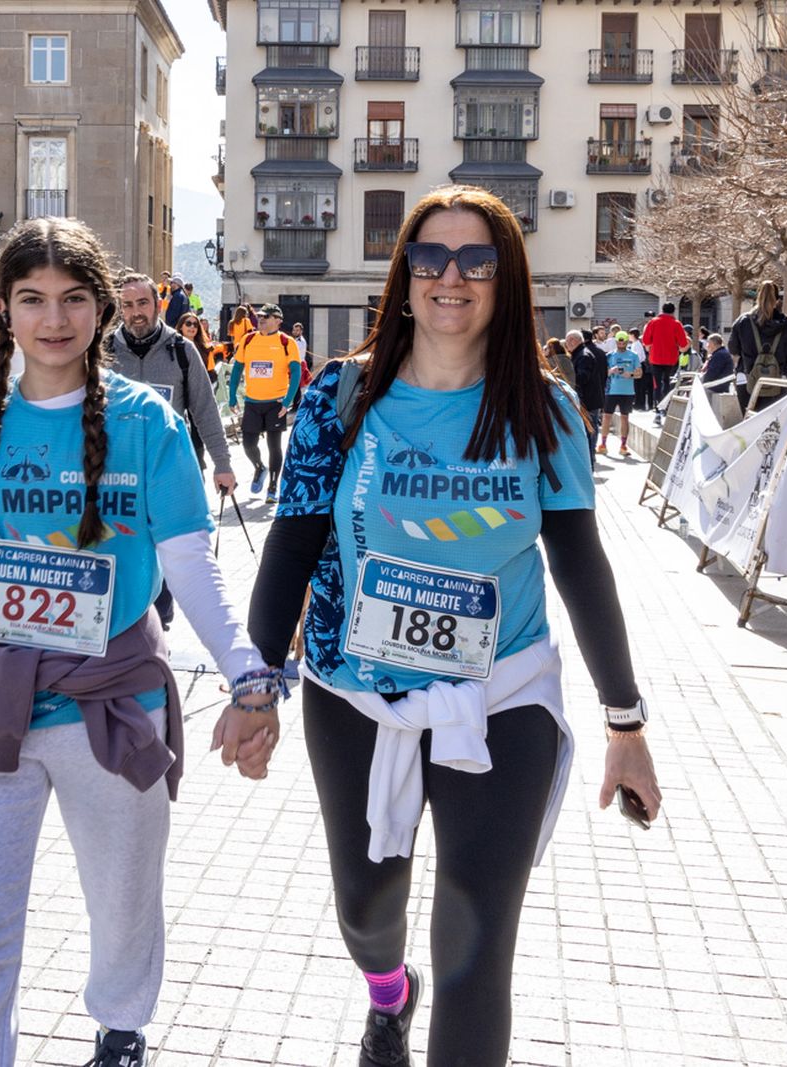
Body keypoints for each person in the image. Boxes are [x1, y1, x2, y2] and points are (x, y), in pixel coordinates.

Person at [246, 185, 659, 1067]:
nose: (452, 277)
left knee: (475, 937)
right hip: (354, 691)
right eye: (430, 257)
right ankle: (388, 995)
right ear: (402, 278)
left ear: (507, 283)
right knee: (367, 904)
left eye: (478, 261)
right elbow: (290, 545)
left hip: (501, 696)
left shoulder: (543, 411)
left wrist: (626, 721)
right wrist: (256, 688)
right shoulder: (339, 397)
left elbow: (582, 564)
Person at [0, 216, 276, 1067]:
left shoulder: (150, 424)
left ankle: (121, 1026)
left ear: (100, 310)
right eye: (31, 300)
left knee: (124, 905)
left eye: (71, 300)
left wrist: (247, 668)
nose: (52, 319)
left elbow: (190, 565)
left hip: (111, 707)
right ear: (3, 308)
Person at [107, 274, 238, 628]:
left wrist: (223, 465)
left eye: (143, 303)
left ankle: (159, 626)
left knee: (163, 549)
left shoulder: (181, 351)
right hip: (112, 477)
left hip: (164, 474)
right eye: (128, 305)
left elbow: (206, 413)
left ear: (159, 304)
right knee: (118, 551)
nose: (136, 313)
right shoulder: (104, 351)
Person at [228, 302, 303, 504]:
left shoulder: (287, 343)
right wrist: (232, 395)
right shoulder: (248, 339)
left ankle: (272, 486)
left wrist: (287, 402)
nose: (261, 319)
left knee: (274, 445)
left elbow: (296, 373)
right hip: (252, 401)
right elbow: (237, 369)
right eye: (260, 316)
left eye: (266, 317)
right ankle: (259, 467)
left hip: (275, 402)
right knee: (248, 444)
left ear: (278, 321)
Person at [728, 281, 787, 409]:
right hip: (777, 381)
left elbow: (733, 348)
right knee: (772, 425)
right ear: (777, 299)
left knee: (750, 423)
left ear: (758, 297)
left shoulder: (743, 322)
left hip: (747, 379)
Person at [642, 302, 689, 423]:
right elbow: (683, 343)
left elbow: (646, 340)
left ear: (662, 310)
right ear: (673, 311)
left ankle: (657, 410)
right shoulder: (677, 324)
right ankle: (666, 408)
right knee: (667, 382)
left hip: (656, 357)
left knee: (657, 384)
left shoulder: (653, 322)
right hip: (671, 359)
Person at [599, 331, 640, 457]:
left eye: (623, 342)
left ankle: (623, 445)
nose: (621, 344)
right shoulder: (609, 355)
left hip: (627, 391)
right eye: (619, 341)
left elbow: (639, 373)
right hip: (611, 391)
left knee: (624, 417)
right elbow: (602, 372)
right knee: (606, 417)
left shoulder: (633, 355)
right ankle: (603, 444)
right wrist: (610, 371)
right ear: (616, 342)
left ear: (627, 342)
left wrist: (630, 374)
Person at [564, 330, 605, 442]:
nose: (566, 344)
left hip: (588, 401)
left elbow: (582, 377)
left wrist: (566, 378)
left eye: (567, 341)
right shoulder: (579, 354)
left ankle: (590, 458)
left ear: (573, 340)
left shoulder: (583, 355)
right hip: (588, 400)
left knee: (589, 431)